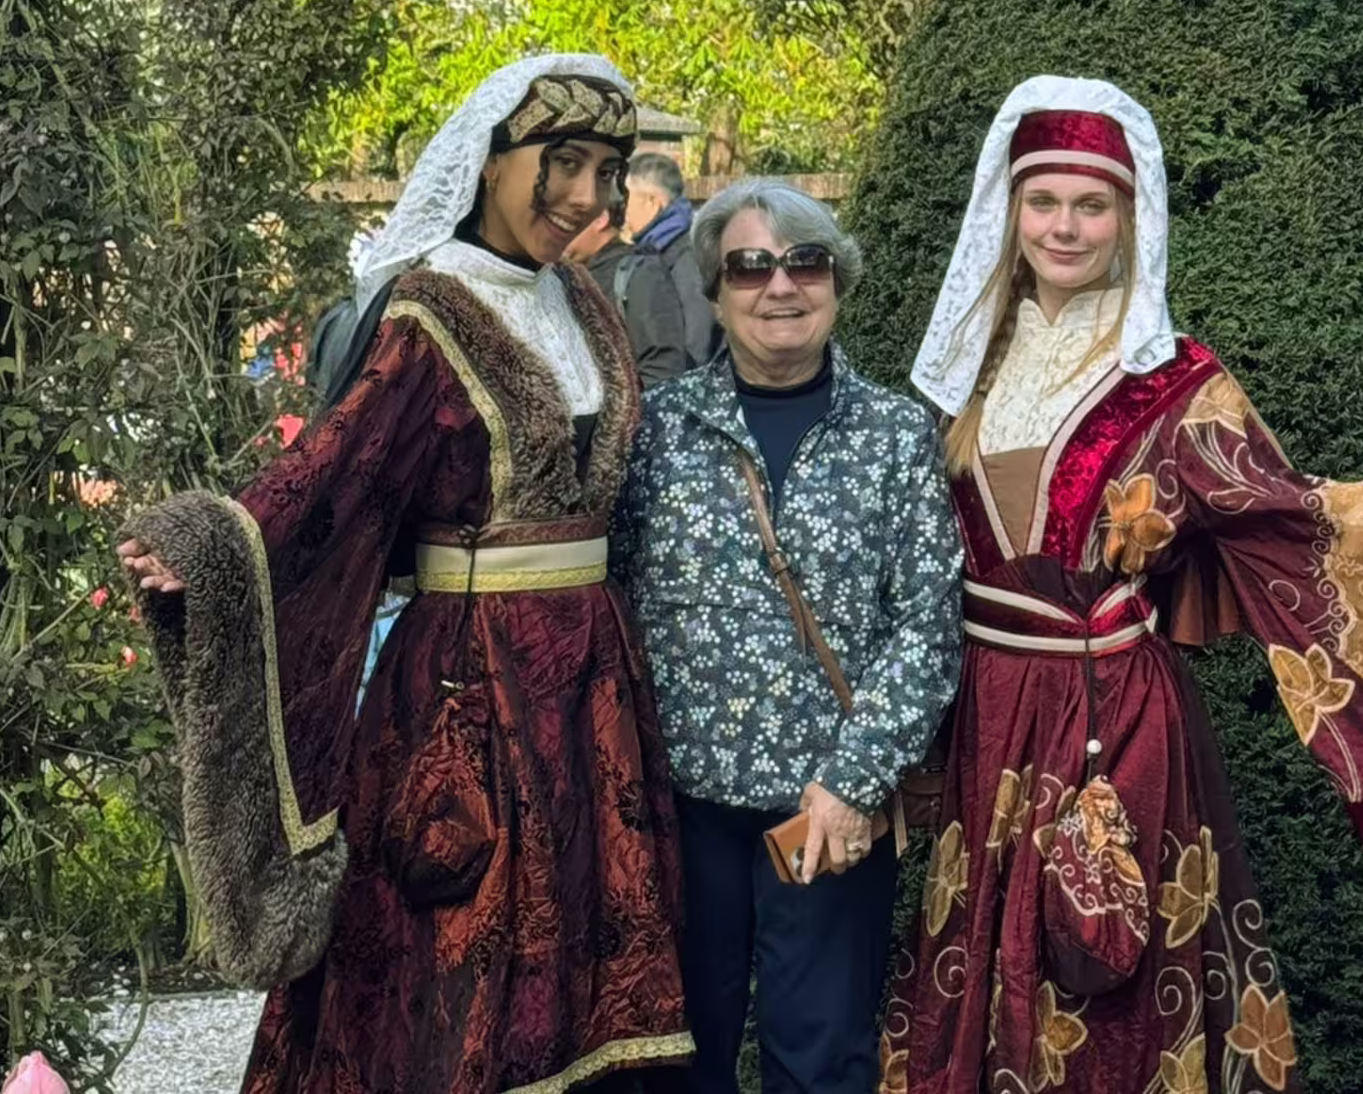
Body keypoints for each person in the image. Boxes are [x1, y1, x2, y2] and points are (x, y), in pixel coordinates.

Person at [880, 77, 1363, 1094]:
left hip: (1113, 712)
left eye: (1091, 204)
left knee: (1108, 965)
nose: (1065, 226)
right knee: (982, 956)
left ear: (1130, 218)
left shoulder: (1174, 376)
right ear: (1009, 213)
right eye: (1044, 201)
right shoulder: (966, 371)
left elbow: (1292, 517)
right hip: (987, 713)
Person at [117, 54, 690, 1094]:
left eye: (607, 170)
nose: (586, 195)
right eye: (563, 161)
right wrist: (213, 548)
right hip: (470, 690)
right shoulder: (429, 312)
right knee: (453, 962)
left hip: (595, 688)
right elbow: (336, 473)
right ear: (490, 161)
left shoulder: (587, 304)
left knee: (588, 970)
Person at [612, 180, 962, 1094]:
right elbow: (607, 596)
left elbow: (927, 626)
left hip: (828, 813)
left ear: (836, 282)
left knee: (822, 1061)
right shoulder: (657, 432)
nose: (780, 286)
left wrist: (854, 782)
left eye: (805, 263)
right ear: (715, 290)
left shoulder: (895, 436)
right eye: (750, 267)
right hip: (681, 813)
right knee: (674, 1060)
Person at [564, 214, 691, 385]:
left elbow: (661, 365)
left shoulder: (638, 273)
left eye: (567, 218)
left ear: (600, 219)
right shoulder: (567, 276)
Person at [623, 152, 719, 374]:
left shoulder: (687, 255)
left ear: (652, 202)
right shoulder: (659, 249)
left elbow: (698, 339)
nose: (623, 212)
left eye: (627, 199)